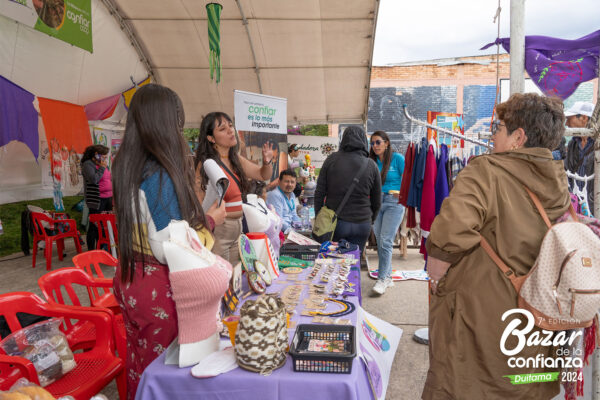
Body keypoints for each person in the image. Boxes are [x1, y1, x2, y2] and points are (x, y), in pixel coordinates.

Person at [423, 93, 570, 400]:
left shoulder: (486, 171)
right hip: (535, 317)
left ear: (518, 137)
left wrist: (437, 273)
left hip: (482, 313)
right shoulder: (558, 182)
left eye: (498, 128)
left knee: (469, 381)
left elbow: (451, 230)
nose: (492, 136)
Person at [111, 84, 220, 399]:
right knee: (166, 374)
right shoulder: (158, 172)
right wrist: (209, 221)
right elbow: (167, 248)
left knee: (141, 364)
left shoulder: (125, 165)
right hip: (158, 287)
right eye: (177, 122)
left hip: (130, 278)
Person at [195, 112, 273, 264]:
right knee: (224, 281)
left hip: (238, 227)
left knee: (235, 279)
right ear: (211, 138)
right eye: (222, 129)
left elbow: (263, 175)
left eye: (230, 126)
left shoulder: (235, 159)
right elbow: (198, 197)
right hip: (220, 229)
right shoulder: (207, 163)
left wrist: (267, 162)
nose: (231, 130)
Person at [314, 126, 381, 259]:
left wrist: (320, 217)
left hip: (337, 223)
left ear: (343, 140)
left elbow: (319, 193)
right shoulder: (371, 165)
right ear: (364, 141)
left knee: (334, 265)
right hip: (362, 224)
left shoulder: (331, 160)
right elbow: (377, 200)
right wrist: (370, 219)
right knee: (353, 263)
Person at [369, 131, 405, 295]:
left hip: (394, 202)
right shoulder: (371, 161)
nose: (375, 146)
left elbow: (408, 180)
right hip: (376, 203)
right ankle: (388, 277)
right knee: (381, 240)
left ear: (387, 143)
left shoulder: (398, 159)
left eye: (377, 142)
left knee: (385, 240)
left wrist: (402, 193)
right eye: (372, 143)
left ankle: (382, 279)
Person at [565, 101, 595, 212]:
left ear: (584, 118)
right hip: (576, 204)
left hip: (593, 205)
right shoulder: (573, 143)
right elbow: (567, 171)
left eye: (569, 119)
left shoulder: (597, 145)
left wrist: (591, 202)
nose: (566, 124)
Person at [81, 144, 111, 250]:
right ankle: (91, 250)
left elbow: (108, 179)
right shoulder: (87, 164)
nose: (105, 158)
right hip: (96, 199)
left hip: (108, 197)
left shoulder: (102, 164)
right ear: (96, 155)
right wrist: (102, 168)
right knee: (95, 224)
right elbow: (94, 179)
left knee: (106, 224)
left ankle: (103, 247)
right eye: (103, 156)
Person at [266, 169, 301, 234]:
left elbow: (294, 214)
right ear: (279, 182)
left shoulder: (292, 194)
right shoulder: (275, 195)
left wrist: (300, 226)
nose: (290, 184)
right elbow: (278, 220)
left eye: (292, 182)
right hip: (280, 232)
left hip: (290, 229)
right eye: (286, 181)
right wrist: (291, 231)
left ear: (295, 184)